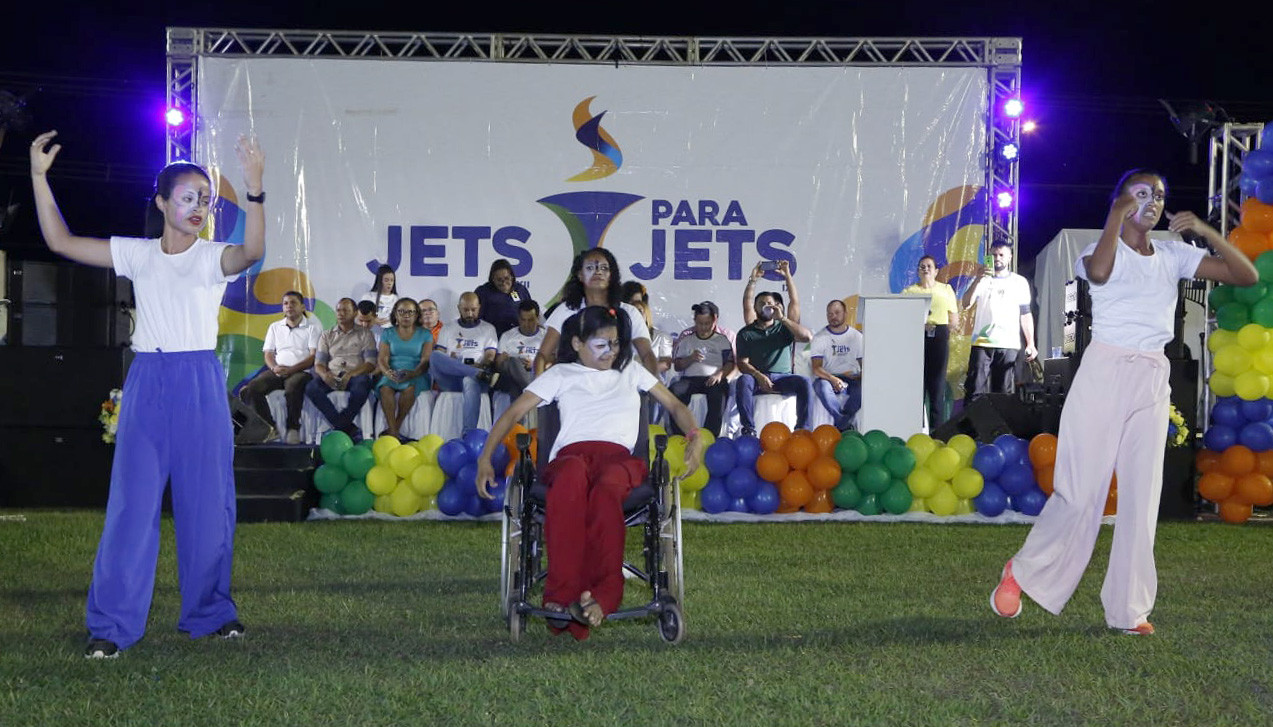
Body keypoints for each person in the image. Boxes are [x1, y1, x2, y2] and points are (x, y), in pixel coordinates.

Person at [990, 169, 1257, 636]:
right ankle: (1023, 573)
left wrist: (1206, 231)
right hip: (1104, 370)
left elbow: (1246, 275)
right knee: (1081, 492)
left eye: (1159, 195)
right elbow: (1099, 273)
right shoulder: (1098, 251)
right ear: (1121, 200)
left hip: (1152, 375)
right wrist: (1116, 214)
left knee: (1141, 496)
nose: (1152, 201)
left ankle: (1128, 610)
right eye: (1142, 193)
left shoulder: (1173, 255)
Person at [30, 129, 264, 658]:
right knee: (131, 507)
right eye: (188, 197)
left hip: (200, 381)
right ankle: (112, 626)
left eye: (205, 199)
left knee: (209, 504)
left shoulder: (212, 258)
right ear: (161, 203)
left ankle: (210, 612)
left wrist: (254, 189)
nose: (198, 207)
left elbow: (253, 250)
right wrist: (40, 178)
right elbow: (61, 242)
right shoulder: (137, 254)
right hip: (148, 381)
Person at [475, 306, 704, 640]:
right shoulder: (560, 374)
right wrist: (485, 458)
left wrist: (695, 437)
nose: (610, 351)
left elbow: (675, 406)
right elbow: (512, 414)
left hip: (620, 461)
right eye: (601, 344)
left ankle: (604, 595)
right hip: (571, 458)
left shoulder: (632, 371)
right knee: (569, 482)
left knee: (605, 492)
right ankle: (561, 595)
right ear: (577, 344)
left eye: (615, 343)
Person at [535, 248, 659, 377]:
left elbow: (647, 355)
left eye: (604, 268)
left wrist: (655, 386)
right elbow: (542, 355)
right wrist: (539, 386)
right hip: (574, 384)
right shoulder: (566, 310)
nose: (598, 271)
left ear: (611, 275)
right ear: (580, 275)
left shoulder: (629, 313)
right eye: (590, 268)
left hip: (619, 384)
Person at [734, 261, 813, 436]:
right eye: (761, 303)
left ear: (776, 306)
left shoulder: (785, 327)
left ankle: (802, 430)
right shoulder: (747, 332)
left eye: (770, 303)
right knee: (743, 380)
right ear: (756, 308)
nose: (766, 306)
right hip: (756, 378)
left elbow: (807, 336)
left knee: (805, 382)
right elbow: (742, 363)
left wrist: (787, 275)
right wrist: (753, 280)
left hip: (782, 378)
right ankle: (748, 429)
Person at [239, 291, 320, 444]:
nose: (289, 306)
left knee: (293, 387)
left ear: (303, 307)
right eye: (285, 303)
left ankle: (293, 428)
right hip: (277, 371)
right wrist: (274, 368)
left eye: (293, 303)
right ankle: (270, 427)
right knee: (253, 387)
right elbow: (268, 354)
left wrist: (291, 370)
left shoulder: (312, 328)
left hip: (301, 372)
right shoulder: (275, 327)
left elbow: (312, 357)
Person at [962, 241, 1037, 403]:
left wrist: (1030, 343)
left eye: (1001, 255)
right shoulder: (981, 279)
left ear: (1010, 257)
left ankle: (1000, 421)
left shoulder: (1019, 282)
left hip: (1008, 343)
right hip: (982, 342)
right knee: (975, 389)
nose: (997, 258)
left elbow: (1025, 313)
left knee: (1003, 393)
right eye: (994, 255)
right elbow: (965, 304)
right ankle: (972, 420)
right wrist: (977, 279)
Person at [306, 297, 378, 441]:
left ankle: (340, 425)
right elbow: (319, 364)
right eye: (338, 310)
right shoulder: (327, 335)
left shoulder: (365, 334)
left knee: (362, 385)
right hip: (332, 375)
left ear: (355, 313)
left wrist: (350, 374)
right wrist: (325, 375)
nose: (340, 313)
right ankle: (345, 426)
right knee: (311, 388)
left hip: (355, 376)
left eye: (345, 310)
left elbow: (370, 363)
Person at [429, 292, 500, 433]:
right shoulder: (448, 328)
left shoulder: (488, 328)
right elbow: (440, 355)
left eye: (473, 310)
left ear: (479, 308)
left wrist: (480, 366)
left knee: (469, 380)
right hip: (451, 377)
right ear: (459, 308)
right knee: (435, 356)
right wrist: (453, 362)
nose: (470, 314)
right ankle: (477, 373)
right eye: (466, 310)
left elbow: (490, 356)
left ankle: (468, 433)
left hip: (477, 378)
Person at [902, 256, 959, 427]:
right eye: (922, 266)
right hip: (916, 338)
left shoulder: (946, 289)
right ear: (918, 271)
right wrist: (919, 325)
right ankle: (914, 428)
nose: (925, 269)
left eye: (929, 266)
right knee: (916, 385)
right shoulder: (909, 291)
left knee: (937, 385)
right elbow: (902, 317)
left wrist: (941, 330)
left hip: (939, 337)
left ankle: (937, 430)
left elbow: (954, 318)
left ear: (936, 271)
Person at [669, 301, 735, 438]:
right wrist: (690, 359)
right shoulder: (687, 340)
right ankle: (679, 435)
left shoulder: (722, 340)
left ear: (714, 321)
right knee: (674, 391)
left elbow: (730, 363)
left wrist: (719, 374)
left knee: (718, 394)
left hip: (713, 379)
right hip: (690, 379)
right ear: (695, 321)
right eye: (700, 323)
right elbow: (677, 366)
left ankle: (709, 436)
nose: (704, 327)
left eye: (707, 323)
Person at [376, 297, 434, 440]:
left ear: (416, 315)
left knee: (409, 389)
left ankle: (395, 427)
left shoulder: (426, 334)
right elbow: (382, 358)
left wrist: (413, 373)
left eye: (410, 312)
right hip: (392, 372)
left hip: (416, 373)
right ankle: (394, 431)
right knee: (385, 389)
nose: (406, 315)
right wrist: (388, 373)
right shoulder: (388, 333)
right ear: (395, 314)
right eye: (401, 311)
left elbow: (425, 360)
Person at [809, 299, 864, 431]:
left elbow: (865, 366)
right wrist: (832, 379)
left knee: (862, 390)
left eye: (837, 313)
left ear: (845, 314)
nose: (833, 316)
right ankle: (844, 422)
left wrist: (861, 375)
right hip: (828, 378)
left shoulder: (857, 337)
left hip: (852, 378)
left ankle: (841, 422)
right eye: (830, 314)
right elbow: (816, 368)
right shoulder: (820, 337)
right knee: (821, 387)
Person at [493, 299, 546, 402]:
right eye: (523, 320)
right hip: (510, 373)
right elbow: (498, 366)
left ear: (538, 318)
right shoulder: (508, 336)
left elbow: (553, 362)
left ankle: (527, 396)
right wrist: (501, 359)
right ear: (518, 318)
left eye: (530, 320)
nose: (526, 324)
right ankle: (532, 392)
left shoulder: (545, 336)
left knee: (514, 386)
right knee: (513, 362)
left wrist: (535, 365)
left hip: (535, 373)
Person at [475, 259, 532, 337]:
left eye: (506, 278)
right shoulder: (483, 292)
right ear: (492, 279)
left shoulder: (521, 290)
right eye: (499, 280)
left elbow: (530, 312)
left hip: (517, 337)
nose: (504, 282)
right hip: (492, 337)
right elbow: (475, 317)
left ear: (512, 276)